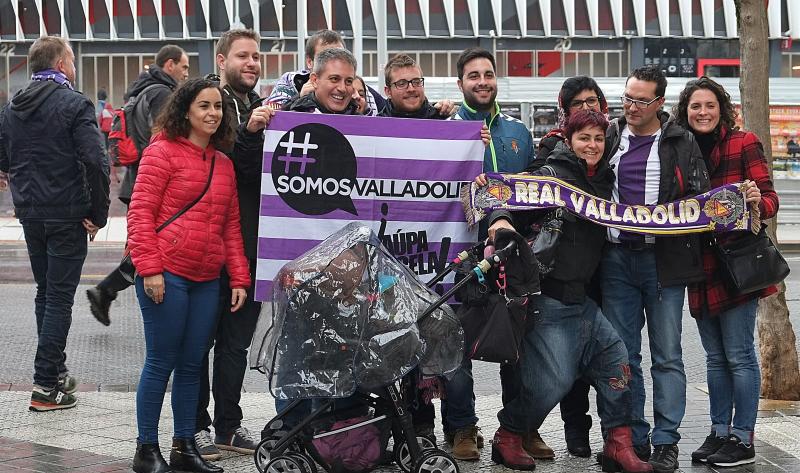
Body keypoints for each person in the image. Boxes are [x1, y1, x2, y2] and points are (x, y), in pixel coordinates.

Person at [477, 110, 653, 473]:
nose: (592, 145)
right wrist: (500, 219)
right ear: (569, 140)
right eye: (584, 138)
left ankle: (618, 446)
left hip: (583, 300)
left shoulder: (605, 179)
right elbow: (499, 197)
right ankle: (508, 435)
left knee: (616, 363)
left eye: (599, 139)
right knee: (552, 384)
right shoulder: (551, 175)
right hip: (549, 299)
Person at [127, 78, 249, 473]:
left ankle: (184, 447)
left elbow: (230, 226)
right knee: (161, 361)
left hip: (207, 279)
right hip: (167, 273)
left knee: (193, 364)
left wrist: (240, 278)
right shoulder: (160, 153)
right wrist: (150, 269)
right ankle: (146, 450)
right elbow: (140, 215)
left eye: (217, 107)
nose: (213, 113)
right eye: (204, 106)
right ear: (185, 111)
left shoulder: (224, 164)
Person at [601, 65, 709, 473]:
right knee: (622, 356)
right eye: (627, 97)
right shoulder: (611, 135)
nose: (630, 106)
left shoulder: (680, 141)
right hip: (615, 261)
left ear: (659, 103)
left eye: (640, 101)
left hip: (663, 261)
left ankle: (666, 441)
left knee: (667, 356)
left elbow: (698, 197)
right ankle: (632, 438)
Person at [0, 36, 110, 412]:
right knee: (58, 297)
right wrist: (98, 213)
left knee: (45, 293)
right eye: (73, 61)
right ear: (62, 65)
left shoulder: (12, 107)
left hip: (30, 213)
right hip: (67, 214)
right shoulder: (75, 104)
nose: (75, 68)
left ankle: (56, 373)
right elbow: (96, 160)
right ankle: (46, 385)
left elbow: (4, 156)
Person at [673, 77, 778, 467]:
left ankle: (742, 436)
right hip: (699, 264)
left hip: (736, 264)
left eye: (709, 105)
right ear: (685, 110)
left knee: (739, 354)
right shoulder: (680, 147)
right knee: (715, 358)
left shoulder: (742, 142)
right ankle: (719, 432)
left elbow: (770, 199)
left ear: (722, 108)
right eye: (695, 106)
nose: (702, 112)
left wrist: (754, 200)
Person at [448, 47, 540, 462]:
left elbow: (539, 193)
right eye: (473, 75)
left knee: (516, 343)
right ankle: (462, 427)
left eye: (488, 74)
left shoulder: (519, 132)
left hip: (512, 257)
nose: (482, 81)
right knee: (457, 343)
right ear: (460, 83)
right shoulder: (445, 129)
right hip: (460, 254)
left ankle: (519, 428)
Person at [529, 75, 609, 458]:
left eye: (593, 101)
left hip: (604, 273)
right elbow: (525, 194)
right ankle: (573, 430)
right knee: (564, 370)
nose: (587, 109)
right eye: (578, 104)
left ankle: (621, 436)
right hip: (562, 277)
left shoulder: (609, 157)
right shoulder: (552, 155)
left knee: (613, 359)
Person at [194, 29, 264, 462]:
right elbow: (220, 161)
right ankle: (196, 427)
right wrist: (251, 134)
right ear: (222, 60)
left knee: (236, 344)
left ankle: (228, 426)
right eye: (243, 56)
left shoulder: (260, 108)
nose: (252, 63)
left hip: (251, 248)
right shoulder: (209, 106)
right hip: (211, 249)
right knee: (200, 342)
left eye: (256, 56)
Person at [86, 44, 190, 326]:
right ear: (169, 65)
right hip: (155, 179)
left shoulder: (141, 90)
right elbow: (166, 135)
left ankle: (105, 292)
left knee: (141, 244)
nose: (185, 72)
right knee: (154, 245)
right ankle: (106, 290)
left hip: (138, 177)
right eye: (183, 66)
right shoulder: (162, 94)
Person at [267, 29, 386, 114]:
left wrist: (364, 112)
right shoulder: (291, 82)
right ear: (310, 62)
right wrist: (299, 99)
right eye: (325, 56)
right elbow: (273, 119)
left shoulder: (360, 90)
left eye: (340, 54)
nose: (342, 88)